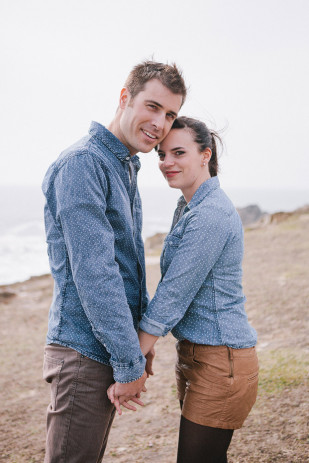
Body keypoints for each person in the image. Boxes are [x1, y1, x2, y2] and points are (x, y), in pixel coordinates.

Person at [41, 61, 187, 462]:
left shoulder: (120, 164)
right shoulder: (83, 164)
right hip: (82, 353)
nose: (161, 123)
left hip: (103, 346)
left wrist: (134, 344)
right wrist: (129, 363)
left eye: (170, 114)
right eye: (153, 107)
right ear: (125, 98)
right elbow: (96, 275)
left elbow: (123, 265)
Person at [109, 116, 259, 463]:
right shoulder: (189, 206)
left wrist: (131, 365)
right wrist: (141, 352)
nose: (166, 163)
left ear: (205, 154)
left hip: (222, 360)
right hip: (196, 355)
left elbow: (173, 295)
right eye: (162, 154)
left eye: (179, 152)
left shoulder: (211, 214)